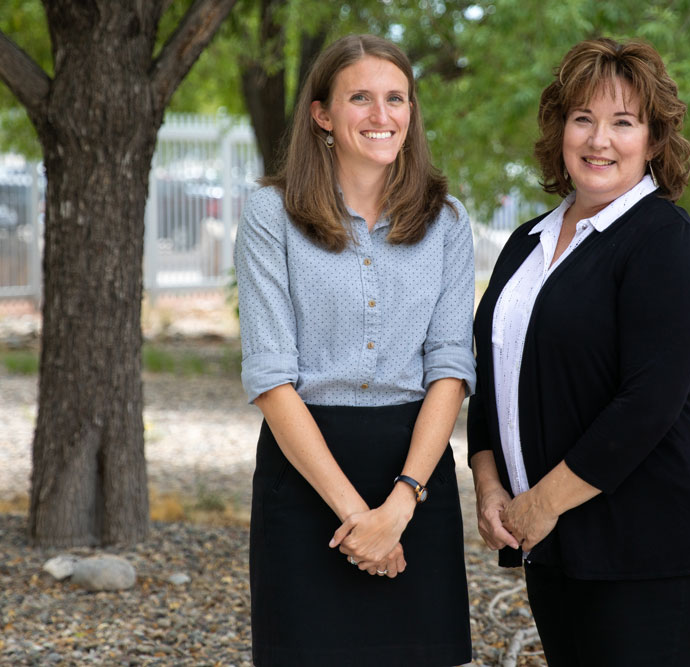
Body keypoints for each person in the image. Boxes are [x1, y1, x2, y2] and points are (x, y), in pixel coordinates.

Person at [467, 37, 690, 666]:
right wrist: (489, 487)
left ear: (653, 140)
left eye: (624, 122)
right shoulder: (524, 245)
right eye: (583, 118)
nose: (600, 140)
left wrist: (538, 503)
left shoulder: (666, 245)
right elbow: (491, 375)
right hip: (555, 540)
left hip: (653, 540)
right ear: (560, 130)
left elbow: (646, 405)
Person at [235, 34, 474, 666]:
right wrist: (359, 519)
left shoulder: (447, 222)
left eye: (396, 98)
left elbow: (450, 366)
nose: (381, 115)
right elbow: (269, 375)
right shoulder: (270, 215)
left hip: (413, 473)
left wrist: (399, 506)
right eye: (360, 98)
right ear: (322, 114)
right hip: (307, 472)